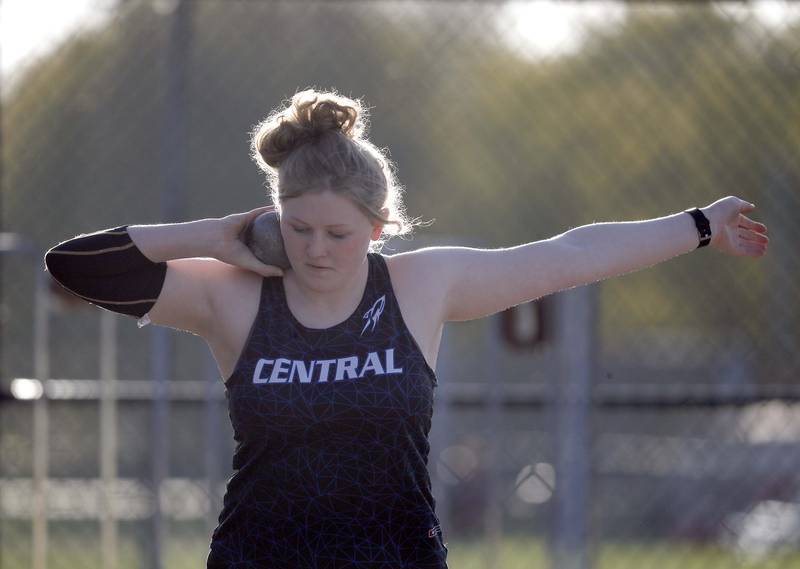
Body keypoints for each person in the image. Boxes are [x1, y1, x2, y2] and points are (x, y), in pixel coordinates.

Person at [43, 87, 769, 568]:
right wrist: (216, 233)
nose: (316, 250)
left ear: (379, 228)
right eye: (297, 229)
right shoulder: (232, 296)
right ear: (272, 218)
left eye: (337, 232)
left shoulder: (421, 285)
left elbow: (569, 255)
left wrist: (700, 225)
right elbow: (76, 266)